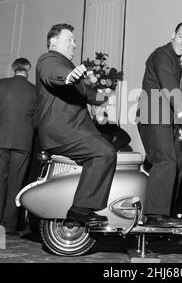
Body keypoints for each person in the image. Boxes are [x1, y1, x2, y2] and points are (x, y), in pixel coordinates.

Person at [36, 23, 116, 226]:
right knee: (103, 152)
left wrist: (105, 98)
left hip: (74, 130)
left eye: (74, 40)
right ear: (53, 41)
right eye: (69, 39)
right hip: (63, 130)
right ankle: (80, 209)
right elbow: (53, 73)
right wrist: (68, 77)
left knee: (105, 151)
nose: (74, 44)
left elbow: (89, 94)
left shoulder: (72, 68)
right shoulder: (49, 59)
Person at [136, 21, 182, 227]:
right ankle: (154, 215)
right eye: (181, 36)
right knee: (166, 162)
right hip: (154, 117)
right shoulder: (163, 54)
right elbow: (169, 87)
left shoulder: (176, 60)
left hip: (167, 119)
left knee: (178, 165)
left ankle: (165, 212)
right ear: (173, 34)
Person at [0, 58, 37, 235]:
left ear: (13, 68)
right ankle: (9, 225)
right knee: (15, 184)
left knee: (0, 181)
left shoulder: (1, 85)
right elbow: (37, 120)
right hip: (23, 141)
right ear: (28, 70)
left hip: (1, 138)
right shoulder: (34, 90)